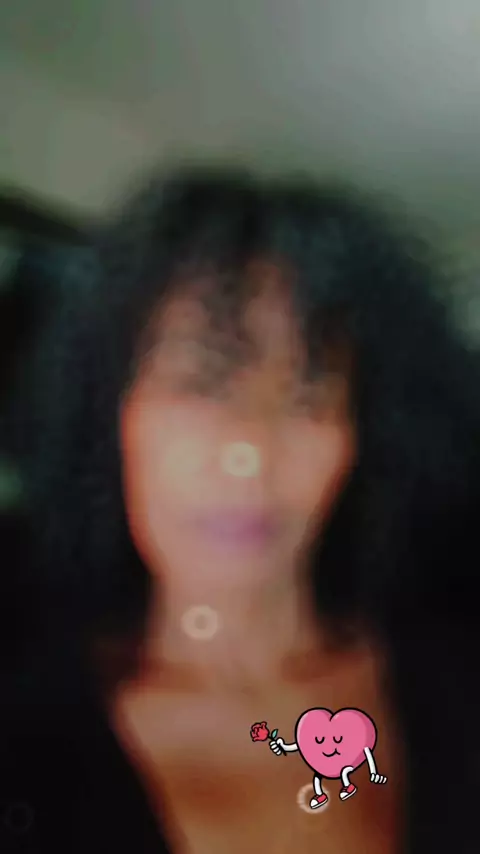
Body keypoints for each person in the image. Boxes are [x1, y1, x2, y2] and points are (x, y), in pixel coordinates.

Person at [1, 165, 479, 854]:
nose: (250, 453)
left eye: (308, 395)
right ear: (111, 412)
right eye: (202, 382)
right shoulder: (25, 729)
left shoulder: (457, 679)